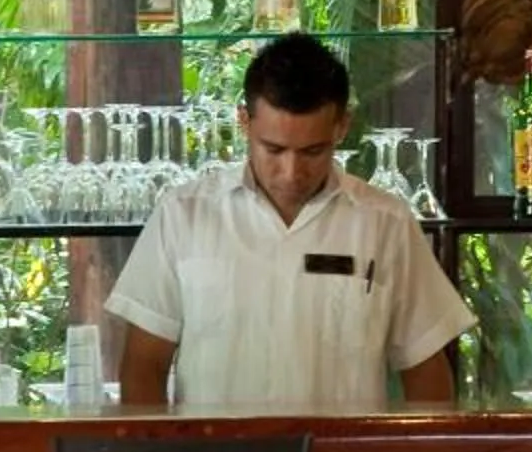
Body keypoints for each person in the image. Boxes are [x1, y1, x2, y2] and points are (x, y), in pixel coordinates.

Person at [107, 32, 473, 414]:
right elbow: (144, 365)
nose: (291, 171)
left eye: (313, 151)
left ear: (342, 126)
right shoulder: (184, 215)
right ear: (244, 122)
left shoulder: (384, 223)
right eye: (274, 149)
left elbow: (427, 371)